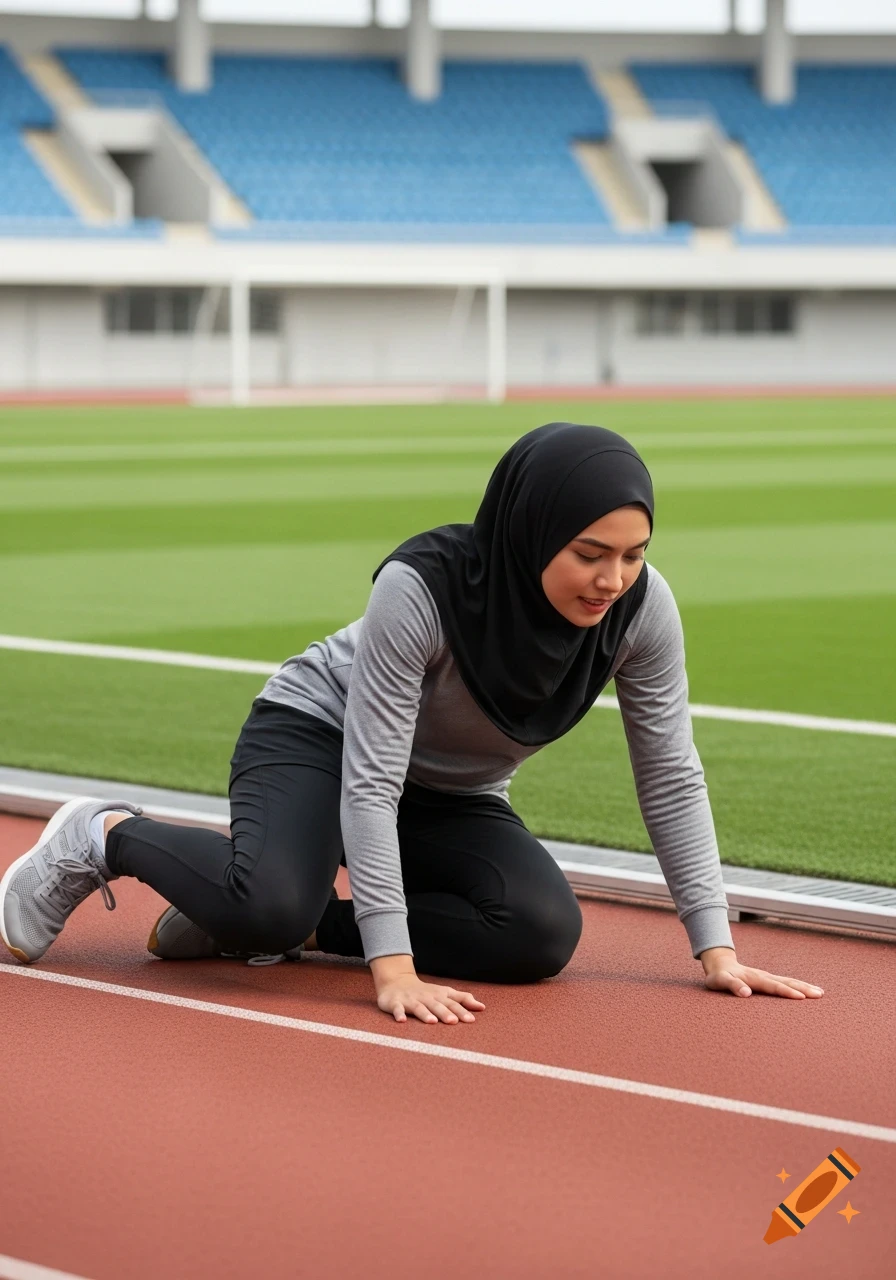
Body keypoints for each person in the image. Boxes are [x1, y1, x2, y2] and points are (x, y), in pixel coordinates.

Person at [0, 422, 824, 1024]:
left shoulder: (642, 611)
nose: (613, 578)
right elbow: (370, 778)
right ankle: (103, 834)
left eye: (634, 552)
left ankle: (273, 919)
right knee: (270, 906)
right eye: (588, 552)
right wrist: (392, 968)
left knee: (538, 933)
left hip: (452, 788)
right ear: (530, 529)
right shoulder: (421, 587)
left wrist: (715, 948)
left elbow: (671, 774)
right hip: (319, 736)